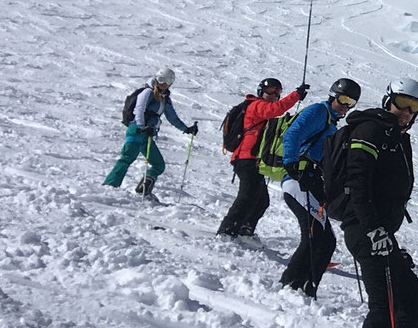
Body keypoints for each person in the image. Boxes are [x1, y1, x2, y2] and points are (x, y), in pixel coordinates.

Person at [325, 78, 418, 328]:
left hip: (381, 233)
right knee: (386, 304)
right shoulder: (371, 130)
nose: (406, 112)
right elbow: (358, 184)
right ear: (388, 100)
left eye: (414, 107)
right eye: (402, 103)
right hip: (364, 229)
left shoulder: (395, 137)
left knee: (412, 300)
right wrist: (373, 229)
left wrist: (385, 236)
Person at [276, 77, 360, 297]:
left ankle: (306, 286)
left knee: (326, 240)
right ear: (333, 95)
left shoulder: (331, 123)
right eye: (342, 99)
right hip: (298, 180)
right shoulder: (318, 112)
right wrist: (292, 164)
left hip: (310, 182)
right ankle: (290, 284)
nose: (345, 106)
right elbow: (293, 134)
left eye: (350, 103)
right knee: (314, 235)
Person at [218, 77, 307, 238]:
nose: (273, 95)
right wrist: (296, 95)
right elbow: (275, 110)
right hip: (246, 158)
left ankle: (245, 230)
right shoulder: (256, 105)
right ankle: (227, 229)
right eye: (269, 91)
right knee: (247, 195)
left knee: (261, 201)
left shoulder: (262, 108)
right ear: (261, 92)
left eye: (277, 92)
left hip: (254, 160)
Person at [104, 69, 197, 197]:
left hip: (147, 134)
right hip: (136, 130)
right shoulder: (147, 92)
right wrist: (142, 126)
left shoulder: (165, 98)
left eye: (168, 81)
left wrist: (186, 129)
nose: (164, 83)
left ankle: (143, 188)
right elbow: (139, 109)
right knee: (127, 158)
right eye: (161, 80)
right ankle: (110, 186)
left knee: (159, 165)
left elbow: (172, 117)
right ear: (157, 79)